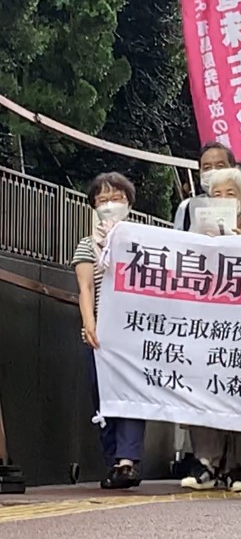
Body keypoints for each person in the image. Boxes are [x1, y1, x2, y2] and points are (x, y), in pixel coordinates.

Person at [180, 168, 241, 492]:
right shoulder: (191, 238)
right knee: (204, 389)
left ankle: (238, 467)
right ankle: (205, 462)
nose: (223, 200)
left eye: (231, 194)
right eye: (217, 194)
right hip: (205, 326)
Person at [72, 172, 147, 490]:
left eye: (116, 198)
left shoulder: (145, 241)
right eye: (102, 200)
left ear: (128, 203)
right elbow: (85, 287)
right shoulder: (88, 244)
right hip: (101, 335)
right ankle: (113, 461)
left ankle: (127, 462)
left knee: (131, 395)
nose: (109, 204)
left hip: (135, 333)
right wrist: (89, 323)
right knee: (102, 397)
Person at [173, 142, 241, 232]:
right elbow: (177, 244)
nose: (213, 171)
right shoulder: (187, 208)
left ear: (232, 168)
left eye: (220, 166)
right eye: (207, 168)